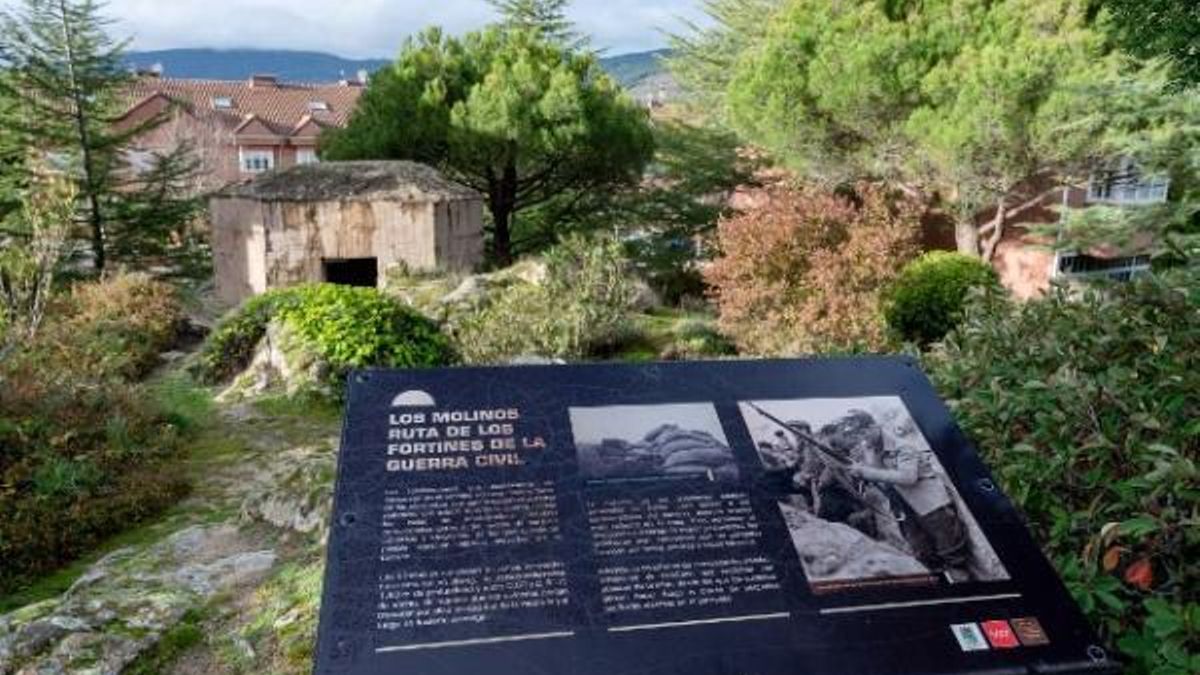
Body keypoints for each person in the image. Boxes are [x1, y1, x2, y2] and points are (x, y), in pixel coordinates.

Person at [824, 411, 973, 583]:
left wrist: (867, 472)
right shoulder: (870, 449)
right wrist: (860, 472)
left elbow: (907, 477)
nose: (861, 439)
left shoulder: (902, 446)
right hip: (904, 510)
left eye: (862, 432)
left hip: (931, 507)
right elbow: (877, 475)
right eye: (856, 435)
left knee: (953, 557)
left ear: (874, 426)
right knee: (923, 555)